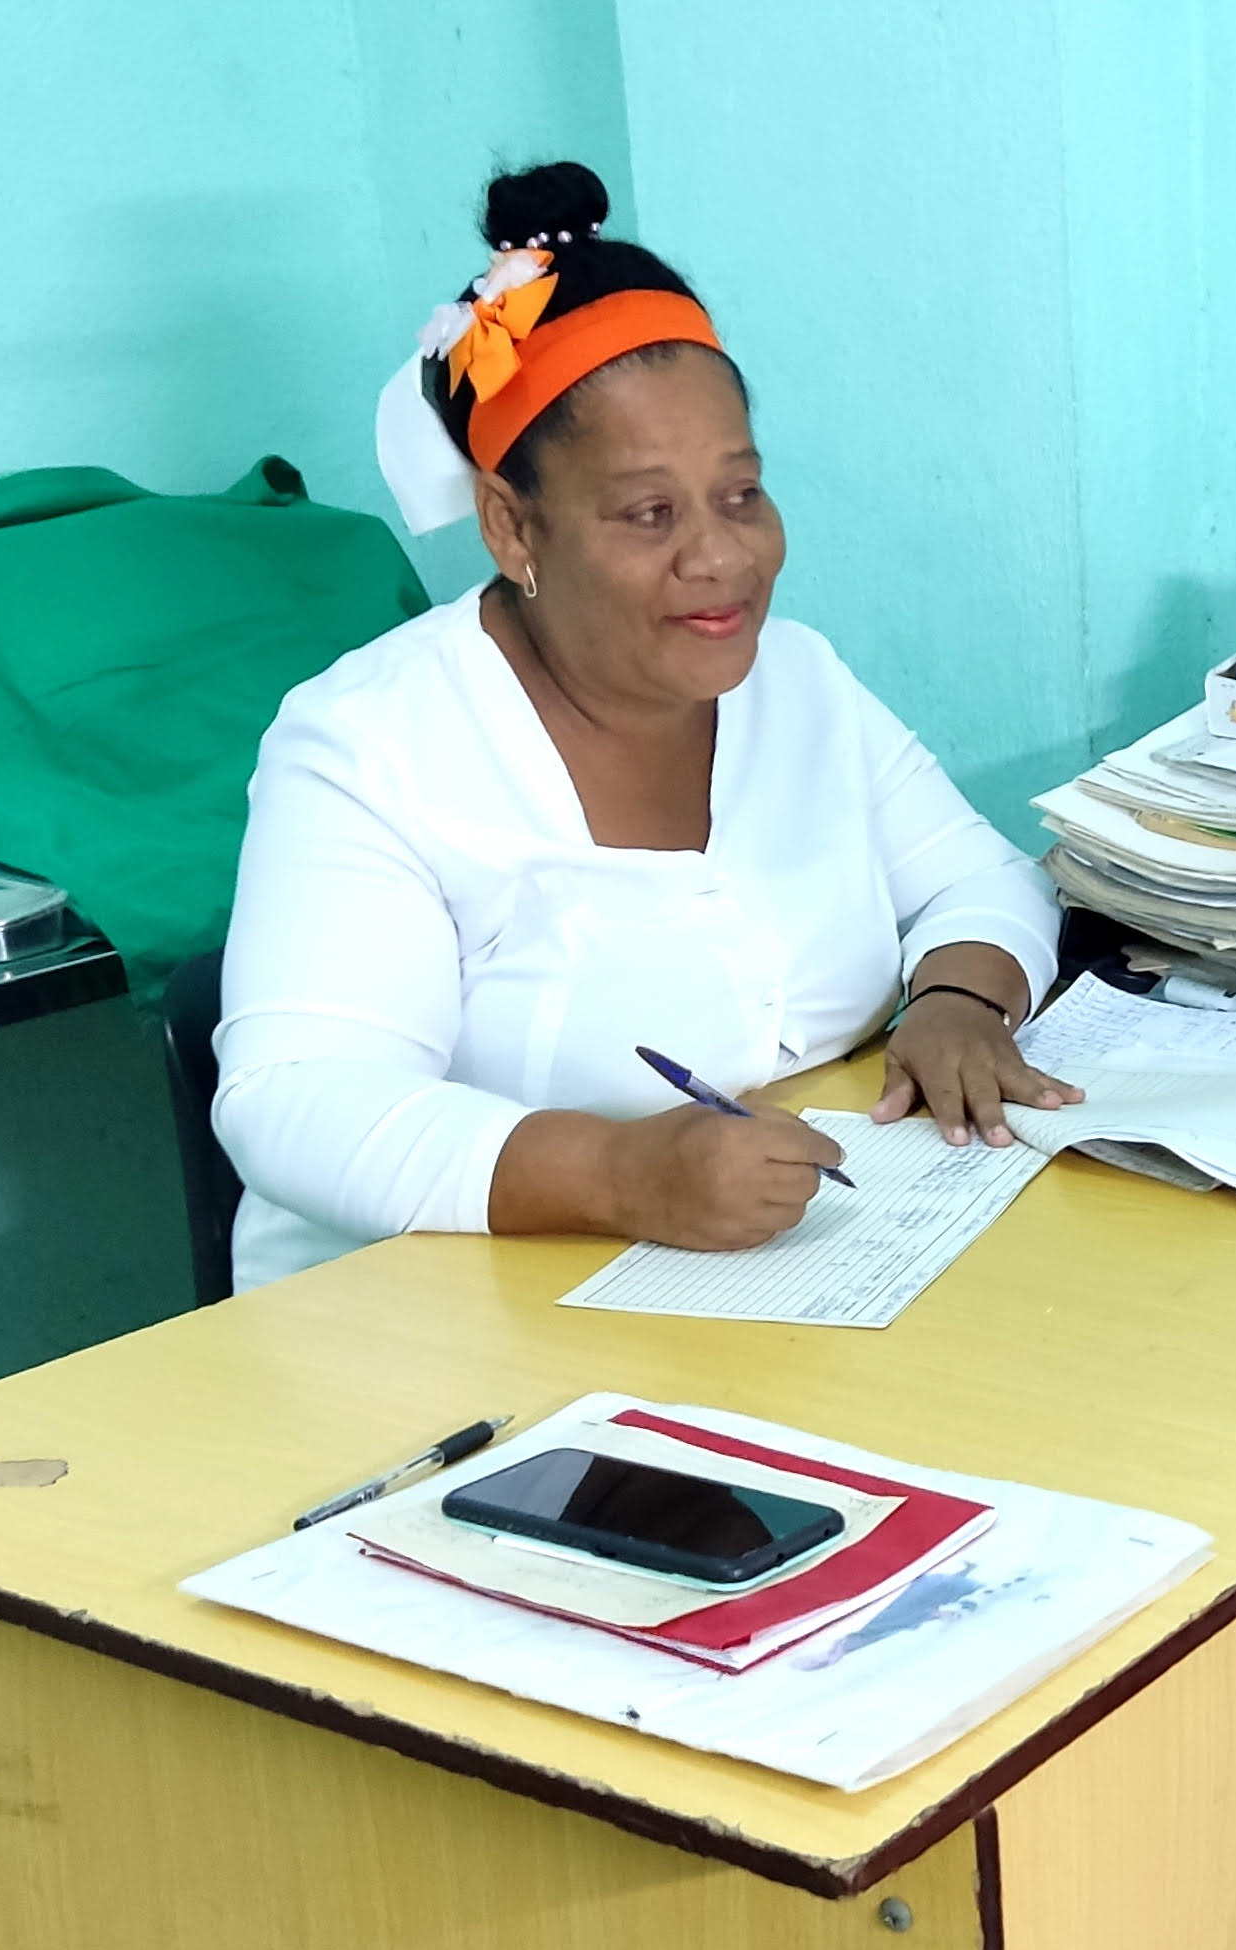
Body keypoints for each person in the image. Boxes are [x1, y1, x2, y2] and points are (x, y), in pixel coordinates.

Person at [213, 163, 1075, 1291]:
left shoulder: (797, 680)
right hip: (427, 1339)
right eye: (649, 513)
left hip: (778, 1289)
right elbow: (298, 1100)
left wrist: (960, 1002)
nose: (720, 556)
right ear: (511, 527)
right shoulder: (368, 745)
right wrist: (621, 1175)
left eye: (741, 494)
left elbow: (988, 882)